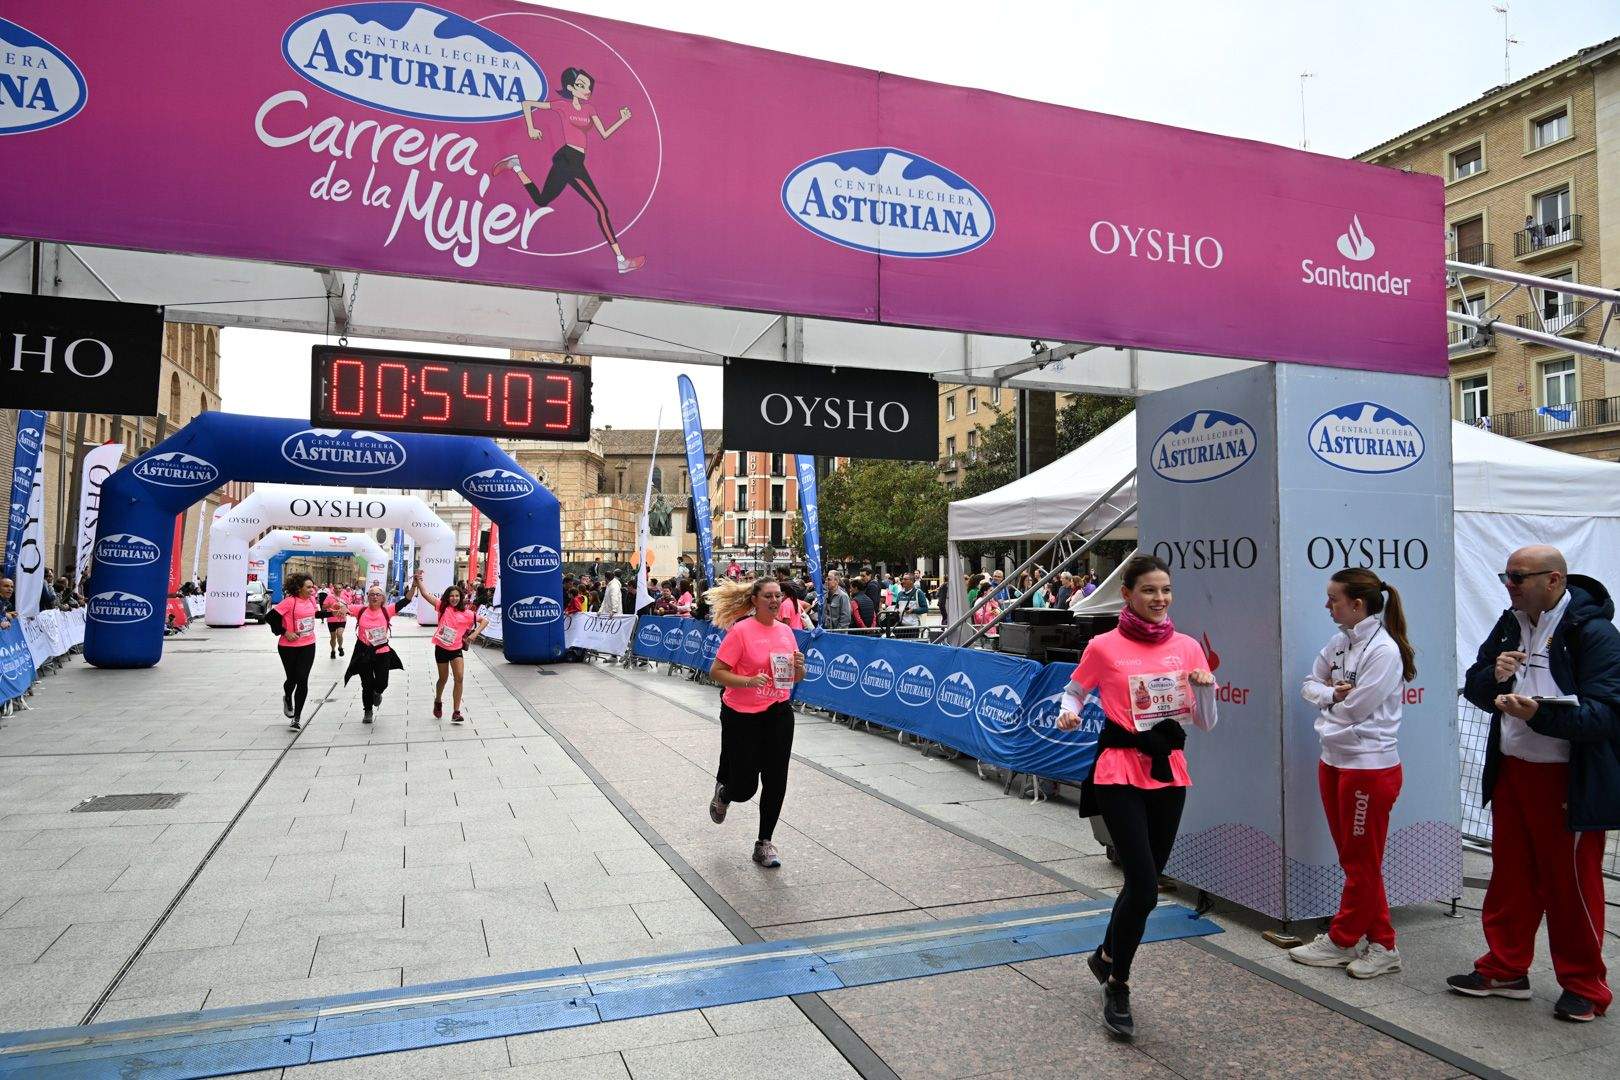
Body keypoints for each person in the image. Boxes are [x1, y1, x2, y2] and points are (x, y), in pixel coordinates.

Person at [1450, 545, 1618, 1022]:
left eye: (1519, 577)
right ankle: (1505, 968)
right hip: (1513, 768)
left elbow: (1606, 715)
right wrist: (1494, 679)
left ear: (1555, 580)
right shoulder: (1511, 620)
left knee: (1572, 886)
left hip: (1566, 778)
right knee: (1510, 877)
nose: (1509, 585)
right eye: (1506, 576)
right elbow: (1477, 683)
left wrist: (1539, 715)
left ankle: (1585, 984)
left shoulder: (1596, 633)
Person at [1056, 554, 1217, 1038]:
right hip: (1118, 771)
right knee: (1145, 886)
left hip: (1168, 772)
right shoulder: (1103, 646)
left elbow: (1205, 722)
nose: (1160, 599)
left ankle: (1105, 955)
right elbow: (1075, 691)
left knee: (1142, 886)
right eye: (1149, 590)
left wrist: (1205, 689)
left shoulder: (1188, 647)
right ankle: (1118, 984)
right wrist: (1069, 712)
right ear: (1127, 594)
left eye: (1166, 589)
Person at [1289, 569, 1416, 979]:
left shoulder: (1384, 650)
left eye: (1333, 599)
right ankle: (1383, 943)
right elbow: (1309, 684)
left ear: (1357, 604)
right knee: (1355, 859)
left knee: (1361, 861)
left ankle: (1343, 939)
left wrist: (1328, 706)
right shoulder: (1340, 641)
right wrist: (1329, 696)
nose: (1327, 606)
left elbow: (1356, 708)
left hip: (1369, 767)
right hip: (1334, 761)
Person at [490, 67, 645, 274]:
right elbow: (527, 104)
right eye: (581, 85)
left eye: (588, 86)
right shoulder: (562, 106)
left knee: (542, 200)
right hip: (568, 160)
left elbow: (605, 134)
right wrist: (531, 128)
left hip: (574, 161)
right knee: (601, 208)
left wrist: (622, 119)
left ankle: (516, 166)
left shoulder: (590, 110)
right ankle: (620, 260)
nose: (586, 89)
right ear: (571, 88)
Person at [704, 577, 805, 869]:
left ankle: (764, 843)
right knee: (745, 787)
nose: (775, 601)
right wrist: (748, 681)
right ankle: (725, 793)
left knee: (776, 779)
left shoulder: (787, 632)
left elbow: (795, 678)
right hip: (742, 715)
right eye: (768, 596)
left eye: (778, 596)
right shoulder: (741, 631)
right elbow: (716, 672)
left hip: (778, 712)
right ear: (755, 600)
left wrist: (800, 668)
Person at [414, 578, 489, 724]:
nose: (454, 598)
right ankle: (438, 700)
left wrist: (474, 634)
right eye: (451, 596)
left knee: (459, 678)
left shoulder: (467, 613)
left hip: (456, 650)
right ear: (447, 597)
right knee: (443, 679)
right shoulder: (442, 607)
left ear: (461, 597)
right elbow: (424, 594)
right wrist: (419, 581)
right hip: (441, 648)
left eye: (457, 596)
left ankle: (456, 712)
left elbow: (484, 621)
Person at [344, 579, 417, 724]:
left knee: (382, 682)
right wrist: (340, 607)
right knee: (366, 684)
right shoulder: (361, 610)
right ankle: (368, 711)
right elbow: (345, 607)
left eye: (378, 594)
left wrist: (414, 585)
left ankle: (377, 693)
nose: (374, 597)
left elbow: (406, 600)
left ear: (382, 598)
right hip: (364, 652)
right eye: (372, 594)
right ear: (368, 597)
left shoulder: (386, 610)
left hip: (382, 651)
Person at [269, 573, 321, 731]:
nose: (312, 590)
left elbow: (314, 615)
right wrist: (286, 632)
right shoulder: (289, 602)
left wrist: (333, 613)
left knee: (303, 679)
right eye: (309, 587)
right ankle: (287, 698)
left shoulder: (311, 600)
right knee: (292, 679)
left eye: (312, 587)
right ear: (299, 588)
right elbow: (269, 617)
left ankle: (297, 718)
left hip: (308, 644)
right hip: (288, 647)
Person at [323, 585, 348, 659]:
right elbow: (323, 607)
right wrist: (331, 605)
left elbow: (348, 607)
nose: (338, 590)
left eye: (339, 588)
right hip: (331, 619)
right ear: (333, 589)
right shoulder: (329, 597)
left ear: (342, 589)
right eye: (336, 588)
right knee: (333, 637)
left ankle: (340, 647)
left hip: (341, 619)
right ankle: (333, 650)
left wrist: (343, 608)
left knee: (339, 634)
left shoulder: (345, 597)